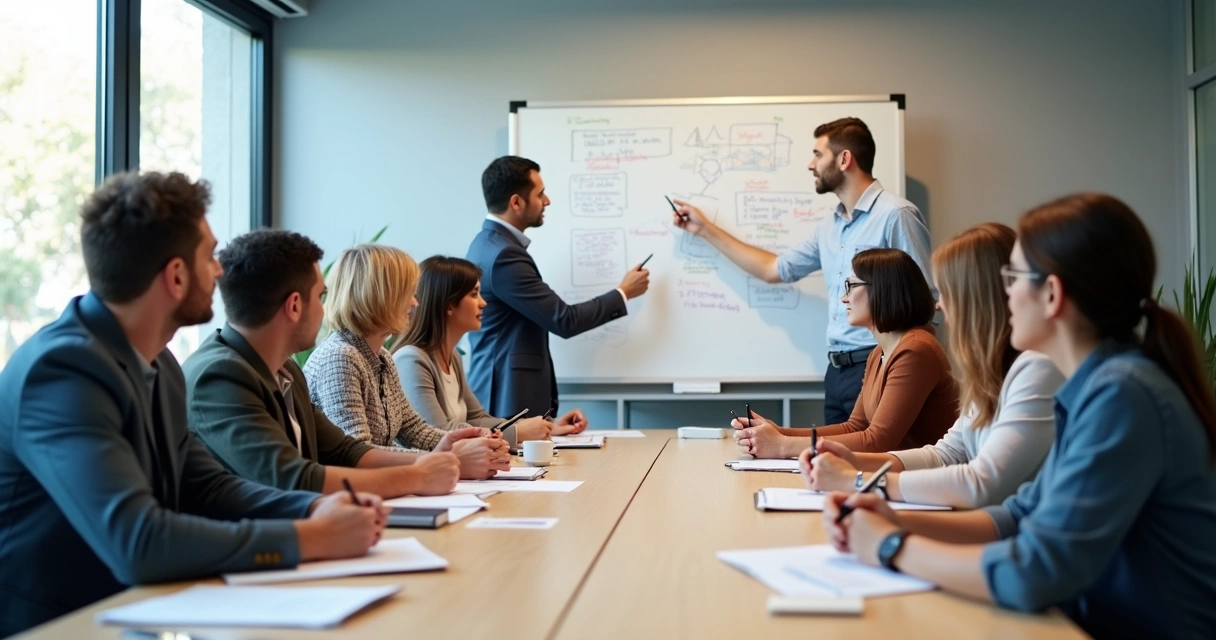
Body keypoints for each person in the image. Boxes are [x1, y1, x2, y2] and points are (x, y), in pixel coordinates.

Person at [0, 172, 386, 636]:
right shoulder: (63, 372)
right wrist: (310, 537)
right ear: (176, 276)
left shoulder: (160, 362)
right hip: (57, 624)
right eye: (209, 255)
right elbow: (138, 542)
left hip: (138, 611)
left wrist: (308, 510)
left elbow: (208, 486)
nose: (220, 271)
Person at [821, 194, 1216, 639]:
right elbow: (1018, 515)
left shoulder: (1122, 394)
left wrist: (891, 546)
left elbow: (1034, 571)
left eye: (1012, 277)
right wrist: (890, 518)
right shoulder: (1095, 386)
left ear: (1052, 295)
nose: (1002, 292)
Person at [184, 230, 508, 500]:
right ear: (295, 306)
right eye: (320, 297)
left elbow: (345, 451)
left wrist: (441, 456)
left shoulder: (286, 370)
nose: (326, 309)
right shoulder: (221, 375)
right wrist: (423, 473)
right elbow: (292, 478)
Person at [671, 118, 933, 424]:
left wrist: (903, 370)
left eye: (818, 154)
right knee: (833, 453)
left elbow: (924, 304)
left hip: (879, 363)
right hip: (836, 372)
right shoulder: (829, 226)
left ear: (844, 159)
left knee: (875, 451)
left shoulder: (896, 215)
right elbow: (773, 269)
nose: (811, 164)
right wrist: (704, 229)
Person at [801, 223, 1063, 508]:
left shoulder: (1038, 369)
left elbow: (981, 484)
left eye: (946, 292)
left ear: (974, 298)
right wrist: (853, 461)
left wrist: (859, 480)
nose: (939, 305)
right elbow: (945, 455)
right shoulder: (990, 374)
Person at [466, 155, 650, 418]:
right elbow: (564, 320)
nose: (547, 201)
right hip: (507, 396)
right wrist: (624, 293)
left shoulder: (488, 243)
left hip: (504, 392)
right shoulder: (505, 255)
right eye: (540, 193)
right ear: (516, 202)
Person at [733, 248, 957, 456]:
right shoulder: (879, 352)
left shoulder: (915, 351)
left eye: (851, 286)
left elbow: (878, 441)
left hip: (920, 481)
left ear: (882, 288)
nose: (843, 297)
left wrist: (783, 445)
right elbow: (855, 427)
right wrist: (778, 433)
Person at [304, 244, 513, 460]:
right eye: (409, 293)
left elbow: (414, 429)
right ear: (382, 297)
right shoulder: (340, 358)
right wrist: (446, 457)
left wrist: (469, 440)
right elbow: (358, 453)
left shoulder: (382, 357)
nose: (415, 302)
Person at [395, 256, 587, 447]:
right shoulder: (411, 360)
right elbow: (436, 433)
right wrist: (517, 432)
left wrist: (548, 427)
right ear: (449, 305)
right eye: (474, 294)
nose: (483, 303)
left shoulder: (453, 357)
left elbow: (477, 418)